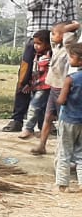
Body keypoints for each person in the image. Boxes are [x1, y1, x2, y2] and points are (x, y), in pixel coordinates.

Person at [6, 0, 80, 132]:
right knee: (25, 79)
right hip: (36, 40)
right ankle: (17, 119)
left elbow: (74, 20)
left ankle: (47, 122)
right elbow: (30, 5)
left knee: (53, 82)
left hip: (57, 44)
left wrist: (66, 30)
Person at [35, 21, 80, 155]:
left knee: (63, 121)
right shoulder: (56, 47)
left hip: (62, 90)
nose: (52, 36)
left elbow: (68, 36)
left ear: (63, 35)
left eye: (55, 34)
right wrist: (57, 31)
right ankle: (42, 145)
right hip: (53, 88)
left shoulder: (68, 48)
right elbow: (52, 38)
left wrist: (69, 27)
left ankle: (66, 151)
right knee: (48, 117)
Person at [55, 43, 82, 192]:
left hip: (69, 119)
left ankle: (63, 184)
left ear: (79, 60)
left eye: (71, 56)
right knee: (81, 153)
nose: (69, 59)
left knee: (64, 152)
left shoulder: (70, 79)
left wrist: (56, 102)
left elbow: (62, 100)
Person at [19, 31, 54, 139]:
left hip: (45, 87)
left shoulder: (51, 55)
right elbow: (34, 72)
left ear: (48, 44)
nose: (35, 46)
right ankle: (42, 129)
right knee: (41, 109)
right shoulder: (36, 55)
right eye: (34, 43)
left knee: (34, 107)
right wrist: (29, 84)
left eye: (39, 43)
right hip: (36, 85)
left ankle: (28, 129)